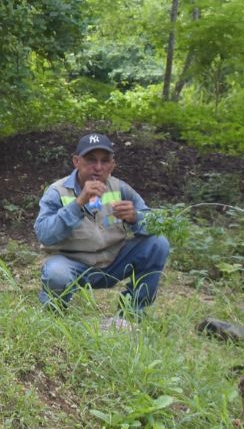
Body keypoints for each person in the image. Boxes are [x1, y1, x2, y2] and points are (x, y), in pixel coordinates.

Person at [34, 132, 171, 328]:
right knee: (56, 273)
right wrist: (78, 203)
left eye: (105, 161)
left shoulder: (120, 188)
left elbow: (156, 223)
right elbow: (45, 234)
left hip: (114, 262)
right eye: (91, 160)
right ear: (76, 161)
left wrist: (136, 218)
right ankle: (55, 313)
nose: (98, 168)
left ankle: (131, 313)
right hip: (73, 264)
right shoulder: (57, 191)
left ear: (112, 165)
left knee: (158, 243)